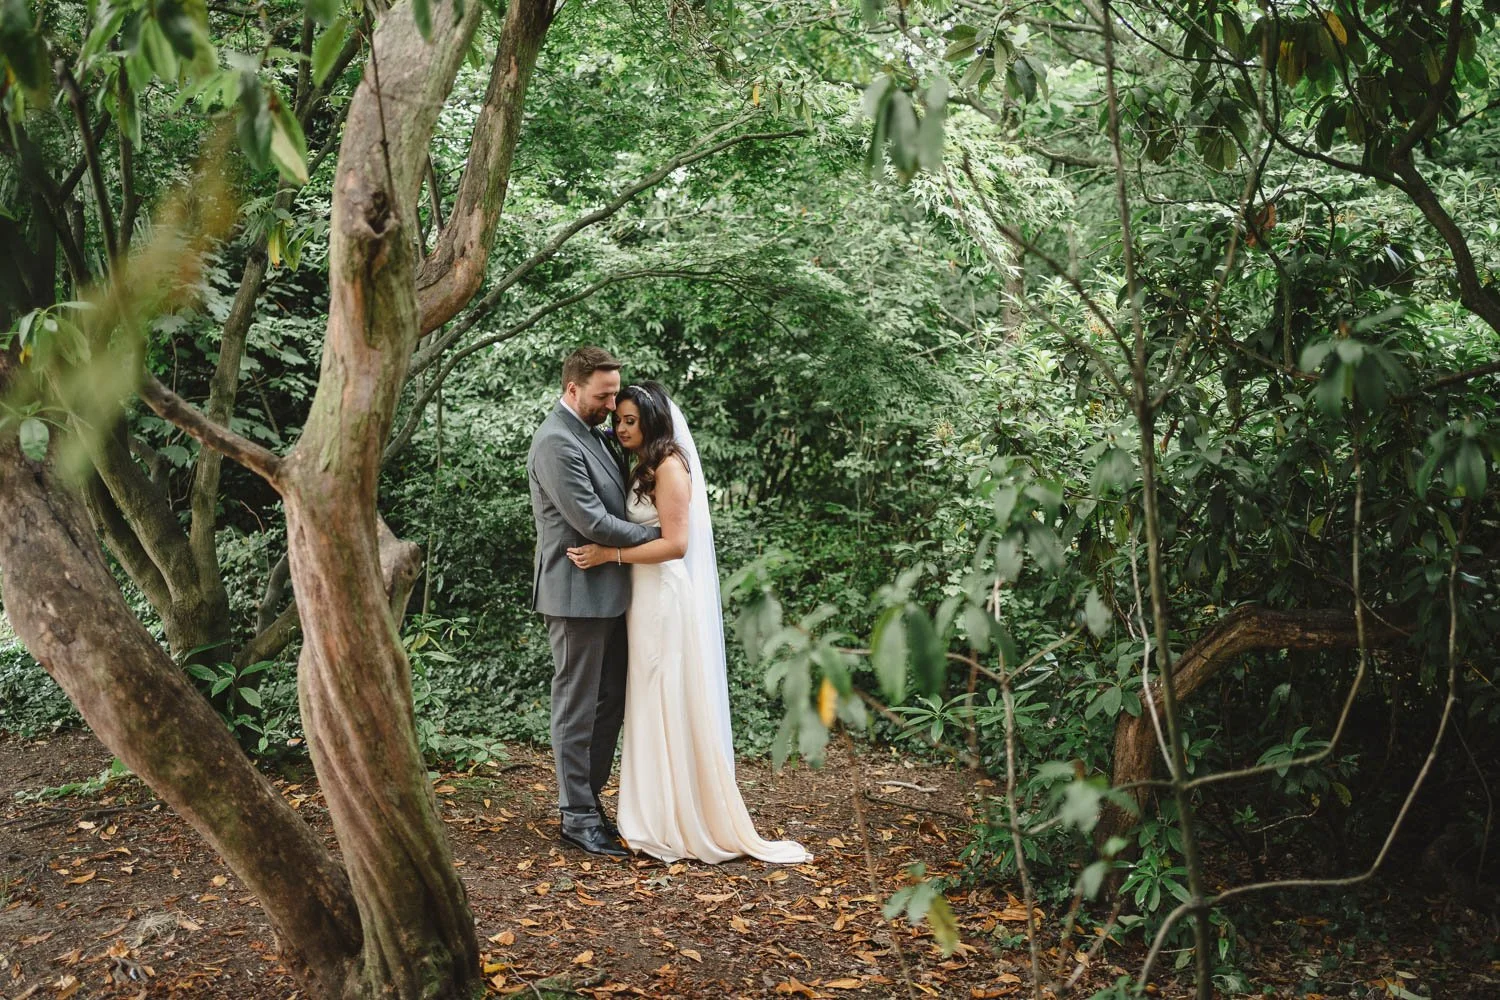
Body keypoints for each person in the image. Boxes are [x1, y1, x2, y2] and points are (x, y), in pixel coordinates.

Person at [567, 381, 811, 865]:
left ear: (654, 421)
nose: (620, 428)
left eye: (630, 421)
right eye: (618, 419)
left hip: (662, 598)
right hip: (642, 598)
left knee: (664, 698)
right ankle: (652, 814)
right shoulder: (646, 466)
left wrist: (609, 554)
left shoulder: (672, 466)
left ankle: (675, 820)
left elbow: (675, 543)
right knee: (647, 700)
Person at [527, 347, 660, 857]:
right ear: (572, 388)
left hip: (613, 591)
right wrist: (662, 535)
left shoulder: (596, 435)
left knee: (610, 704)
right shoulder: (556, 442)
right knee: (577, 706)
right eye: (603, 395)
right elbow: (592, 522)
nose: (611, 404)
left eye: (613, 394)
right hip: (574, 591)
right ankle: (575, 815)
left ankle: (589, 800)